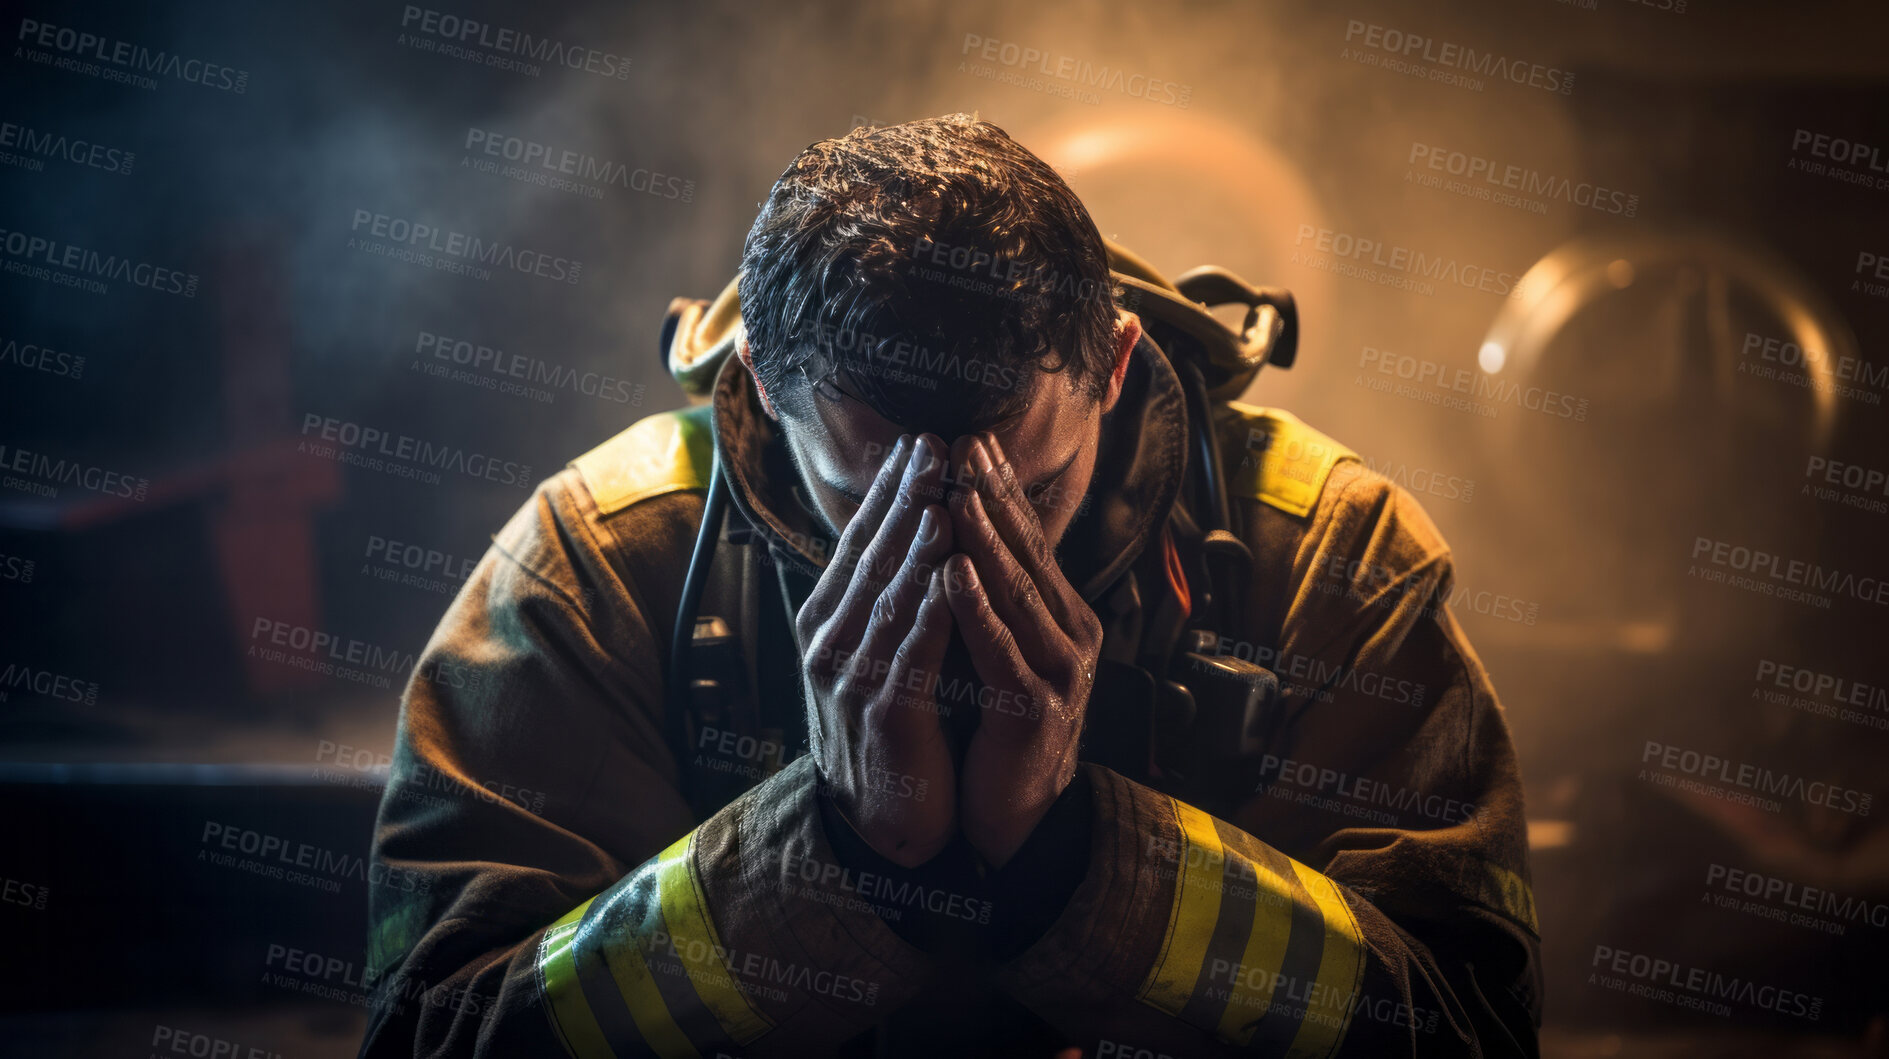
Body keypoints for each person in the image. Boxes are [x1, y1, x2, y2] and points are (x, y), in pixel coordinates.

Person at [357, 114, 1542, 1058]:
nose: (950, 558)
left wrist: (1078, 857)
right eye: (868, 500)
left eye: (1023, 491)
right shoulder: (595, 567)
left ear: (1114, 364)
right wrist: (836, 852)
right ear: (766, 381)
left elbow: (1470, 1028)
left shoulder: (1330, 555)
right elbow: (432, 1035)